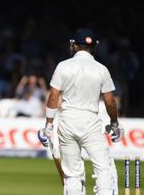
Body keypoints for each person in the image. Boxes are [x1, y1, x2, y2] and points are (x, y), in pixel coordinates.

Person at [37, 28, 124, 195]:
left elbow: (53, 96)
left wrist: (48, 125)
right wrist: (114, 124)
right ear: (95, 47)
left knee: (72, 175)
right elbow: (110, 102)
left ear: (74, 46)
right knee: (104, 168)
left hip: (67, 121)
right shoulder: (101, 69)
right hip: (90, 122)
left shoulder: (63, 66)